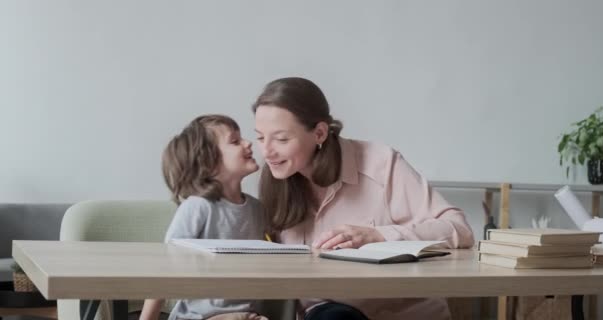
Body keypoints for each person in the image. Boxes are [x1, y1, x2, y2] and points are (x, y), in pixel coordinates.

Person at [252, 77, 475, 320]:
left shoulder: (380, 163)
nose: (267, 151)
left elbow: (459, 229)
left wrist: (378, 236)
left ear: (319, 133)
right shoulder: (275, 181)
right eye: (261, 137)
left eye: (281, 139)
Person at [140, 115, 268, 320]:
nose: (248, 143)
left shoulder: (257, 209)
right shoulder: (198, 207)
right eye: (235, 141)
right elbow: (165, 267)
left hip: (247, 314)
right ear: (209, 163)